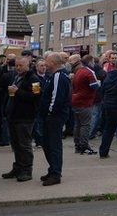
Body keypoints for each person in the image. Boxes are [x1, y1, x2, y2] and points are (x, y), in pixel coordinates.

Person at [2, 57, 41, 182]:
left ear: (27, 65)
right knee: (16, 144)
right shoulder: (16, 76)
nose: (18, 68)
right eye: (17, 65)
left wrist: (17, 91)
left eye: (20, 65)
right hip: (13, 115)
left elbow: (36, 96)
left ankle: (26, 170)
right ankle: (18, 167)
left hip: (25, 117)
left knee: (24, 145)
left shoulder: (34, 79)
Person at [38, 52, 71, 186]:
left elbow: (57, 98)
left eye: (47, 61)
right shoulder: (52, 76)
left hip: (54, 117)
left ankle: (56, 174)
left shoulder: (58, 76)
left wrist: (50, 113)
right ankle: (52, 170)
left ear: (53, 63)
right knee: (48, 144)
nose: (45, 63)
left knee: (54, 145)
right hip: (51, 116)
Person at [68, 54, 100, 155]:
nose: (94, 64)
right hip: (85, 102)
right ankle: (84, 146)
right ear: (90, 62)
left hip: (75, 101)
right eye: (93, 62)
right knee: (86, 125)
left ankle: (77, 145)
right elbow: (94, 86)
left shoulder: (78, 71)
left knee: (77, 125)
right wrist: (99, 83)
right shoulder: (89, 72)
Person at [33, 59, 48, 147]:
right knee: (38, 123)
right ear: (37, 67)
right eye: (41, 66)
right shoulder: (35, 78)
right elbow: (36, 92)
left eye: (44, 65)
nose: (43, 67)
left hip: (46, 104)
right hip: (38, 104)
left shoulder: (49, 77)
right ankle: (39, 141)